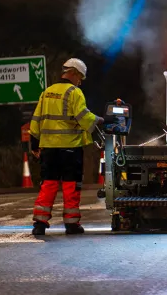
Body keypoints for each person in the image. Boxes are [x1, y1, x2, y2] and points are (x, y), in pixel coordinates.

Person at [29, 58, 103, 235]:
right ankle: (71, 224)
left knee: (48, 184)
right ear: (74, 73)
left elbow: (36, 119)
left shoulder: (47, 92)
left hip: (48, 149)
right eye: (80, 78)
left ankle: (39, 223)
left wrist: (34, 143)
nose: (80, 82)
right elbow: (83, 117)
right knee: (71, 186)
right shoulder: (74, 92)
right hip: (70, 149)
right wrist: (101, 120)